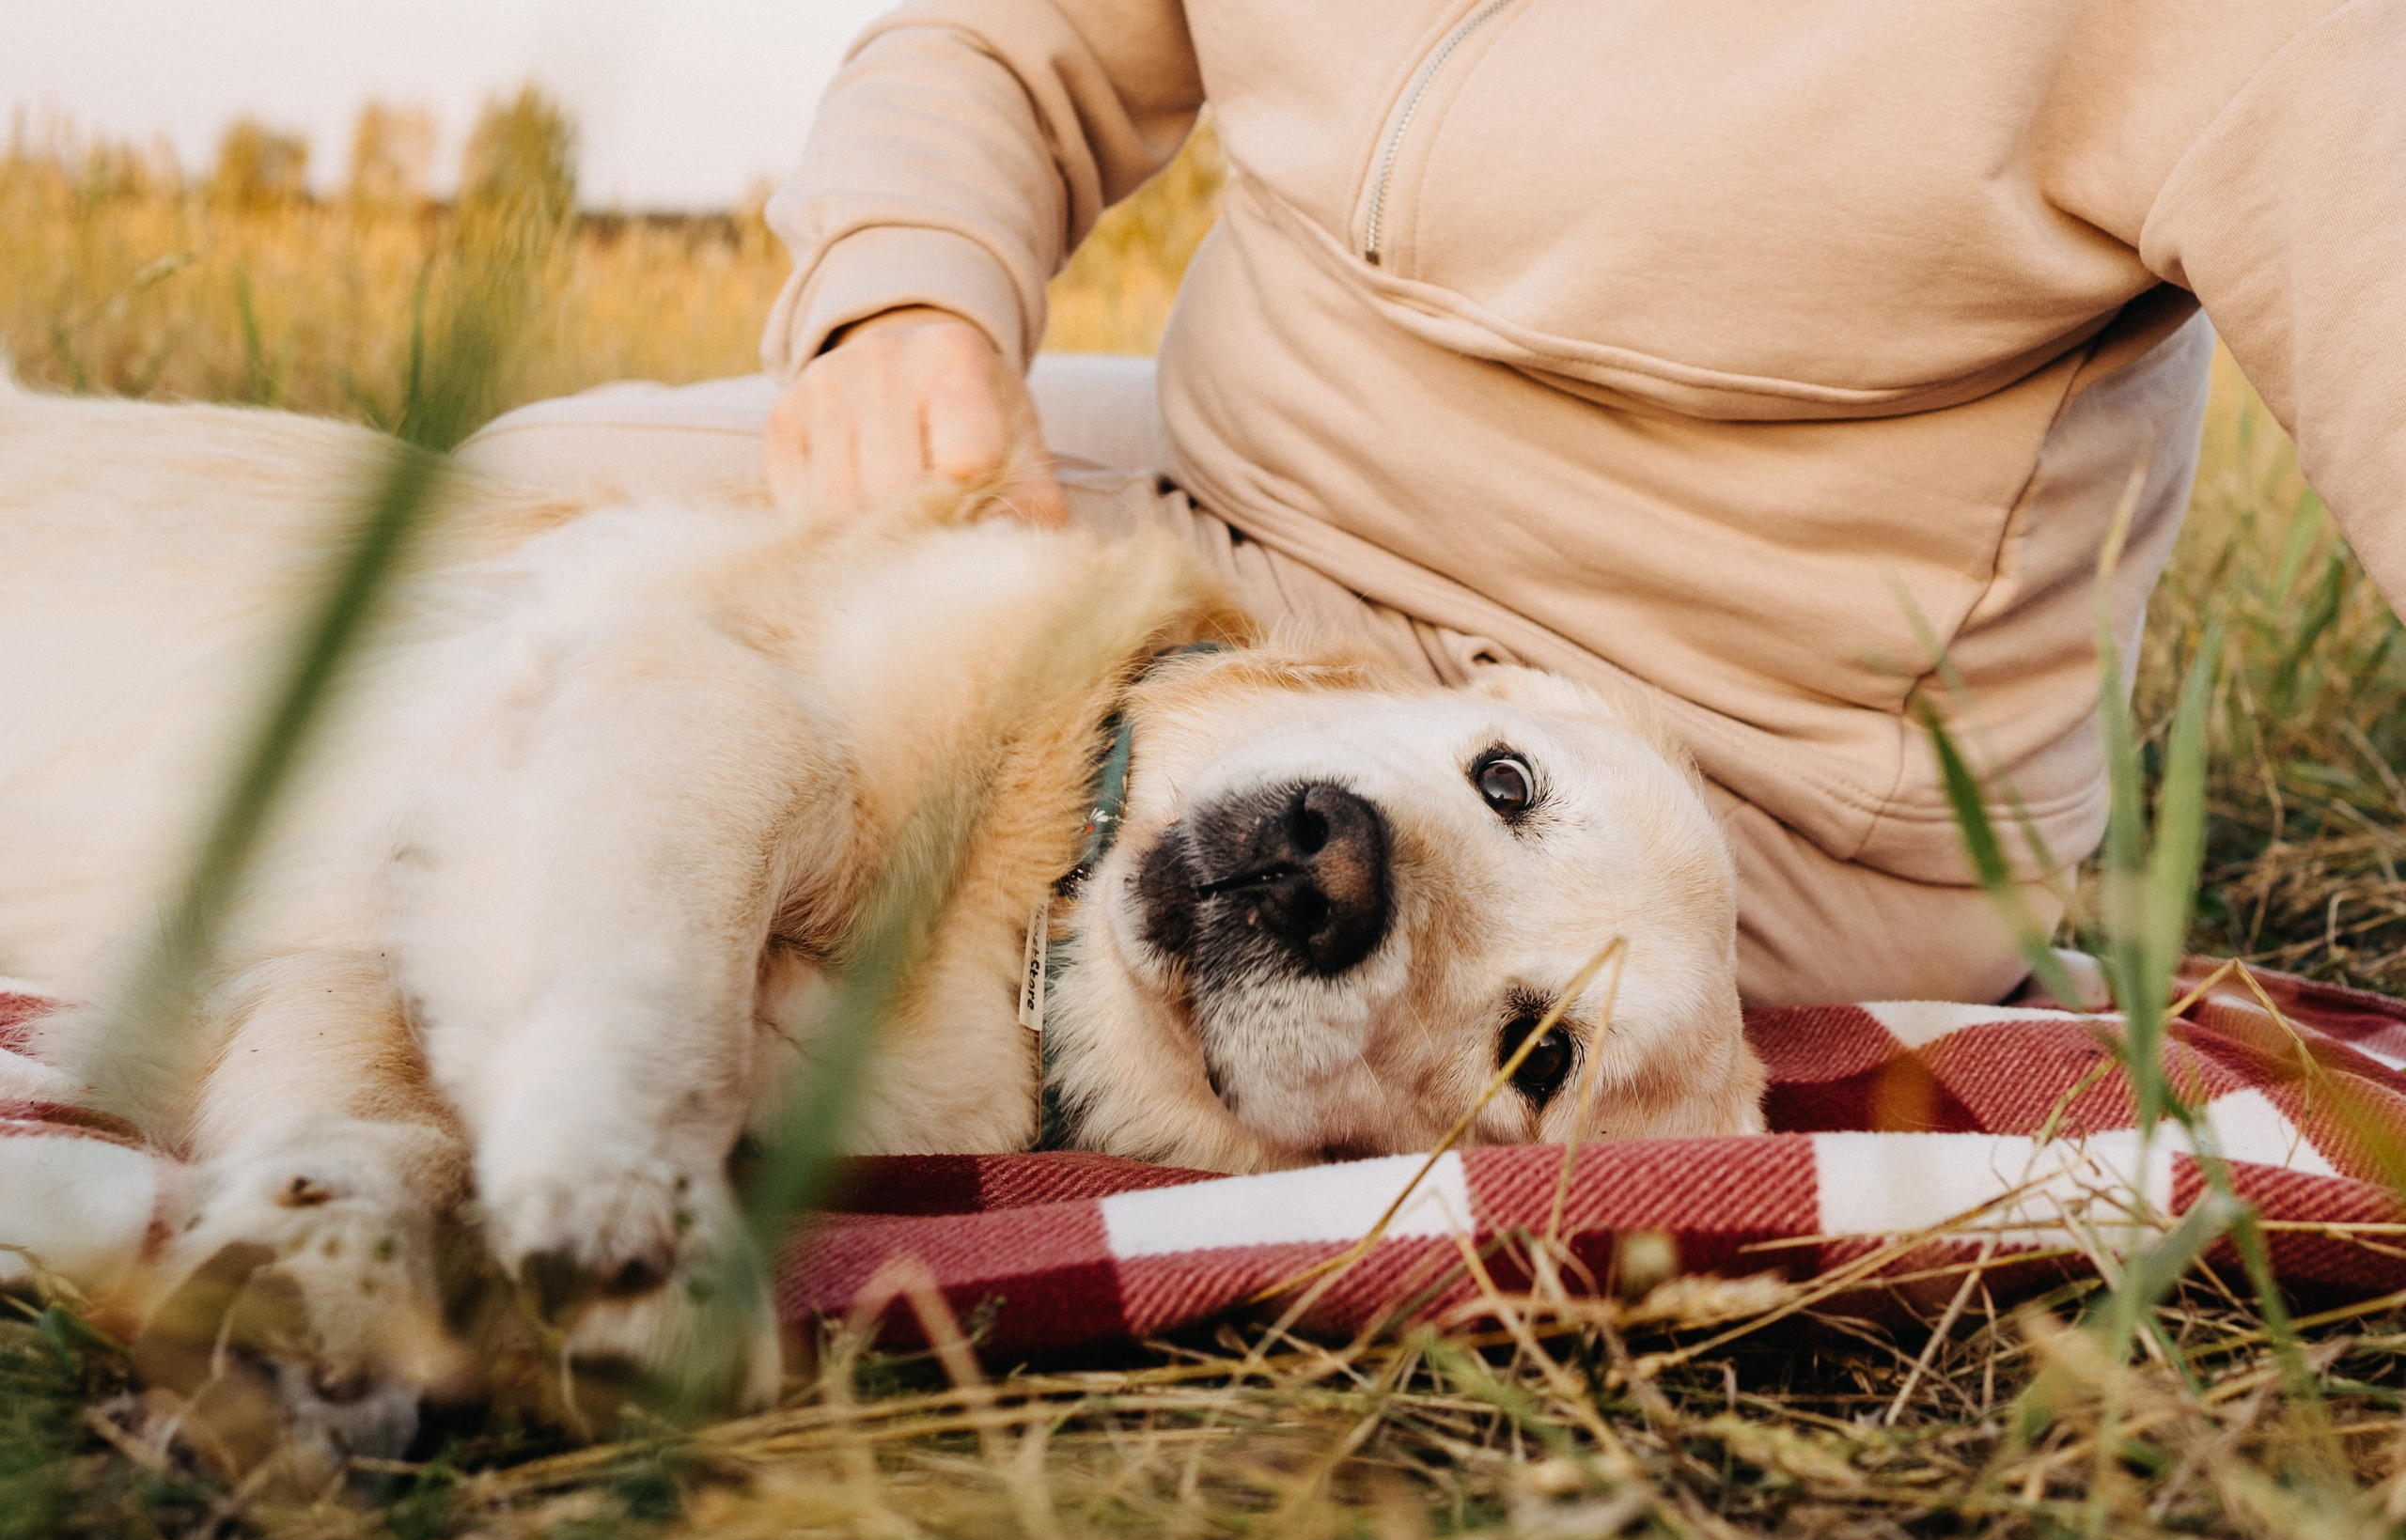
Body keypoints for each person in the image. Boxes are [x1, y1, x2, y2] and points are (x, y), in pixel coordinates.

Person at [464, 0, 2406, 1005]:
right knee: (496, 522)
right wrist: (901, 292)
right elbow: (1004, 41)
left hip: (1698, 771)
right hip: (1209, 505)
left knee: (720, 806)